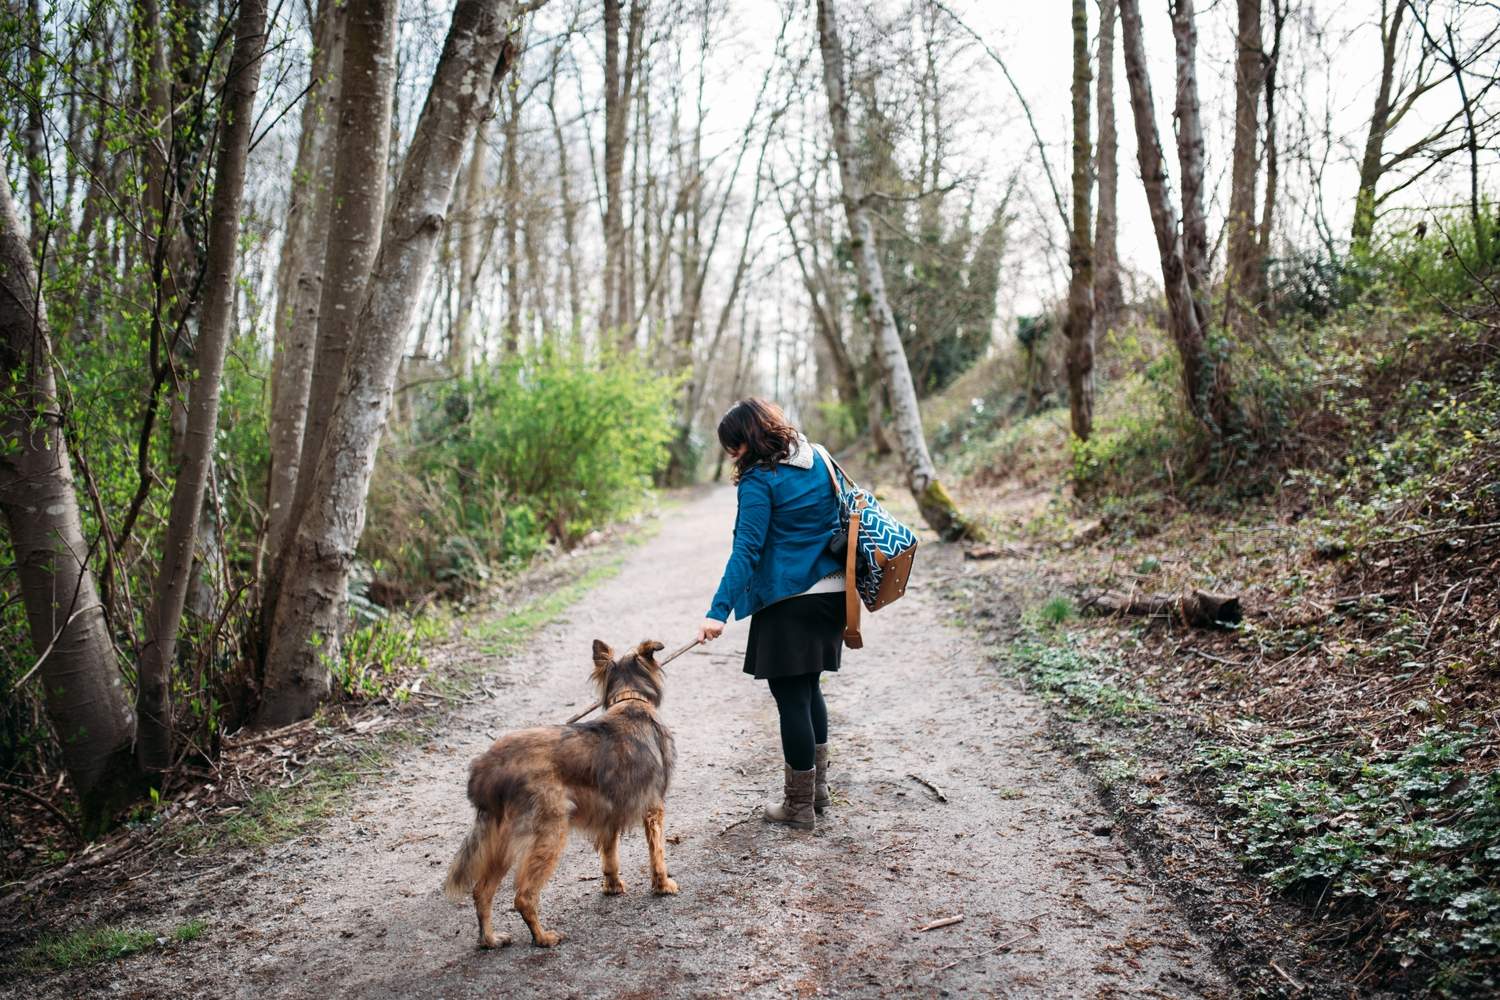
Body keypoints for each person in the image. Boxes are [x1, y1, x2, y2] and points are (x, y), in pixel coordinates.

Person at [696, 398, 845, 830]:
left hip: (789, 597)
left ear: (749, 439)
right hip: (832, 591)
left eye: (733, 445)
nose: (731, 455)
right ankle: (816, 792)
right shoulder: (820, 456)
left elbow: (747, 549)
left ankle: (798, 807)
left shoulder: (761, 479)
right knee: (809, 687)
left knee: (792, 698)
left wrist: (717, 611)